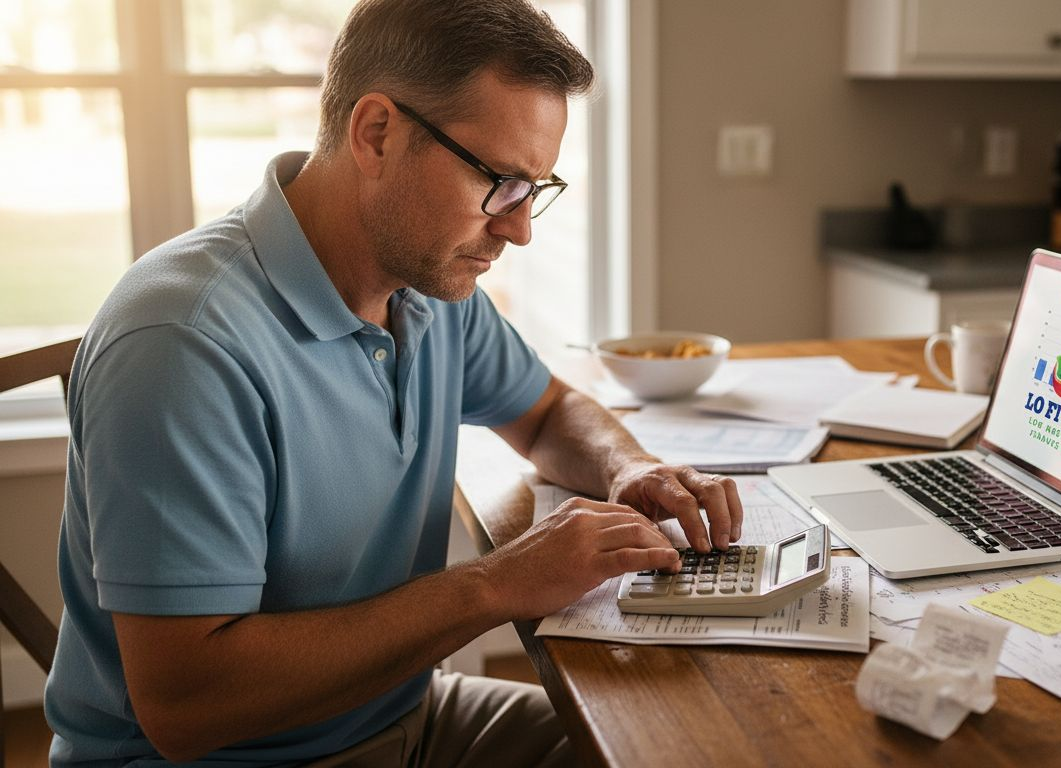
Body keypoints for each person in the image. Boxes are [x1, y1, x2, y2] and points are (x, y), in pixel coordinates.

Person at [44, 1, 743, 765]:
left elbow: (547, 413)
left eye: (534, 189)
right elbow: (188, 707)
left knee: (678, 748)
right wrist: (498, 583)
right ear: (376, 133)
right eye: (500, 182)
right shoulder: (183, 344)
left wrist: (628, 467)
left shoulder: (429, 287)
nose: (519, 229)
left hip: (402, 717)